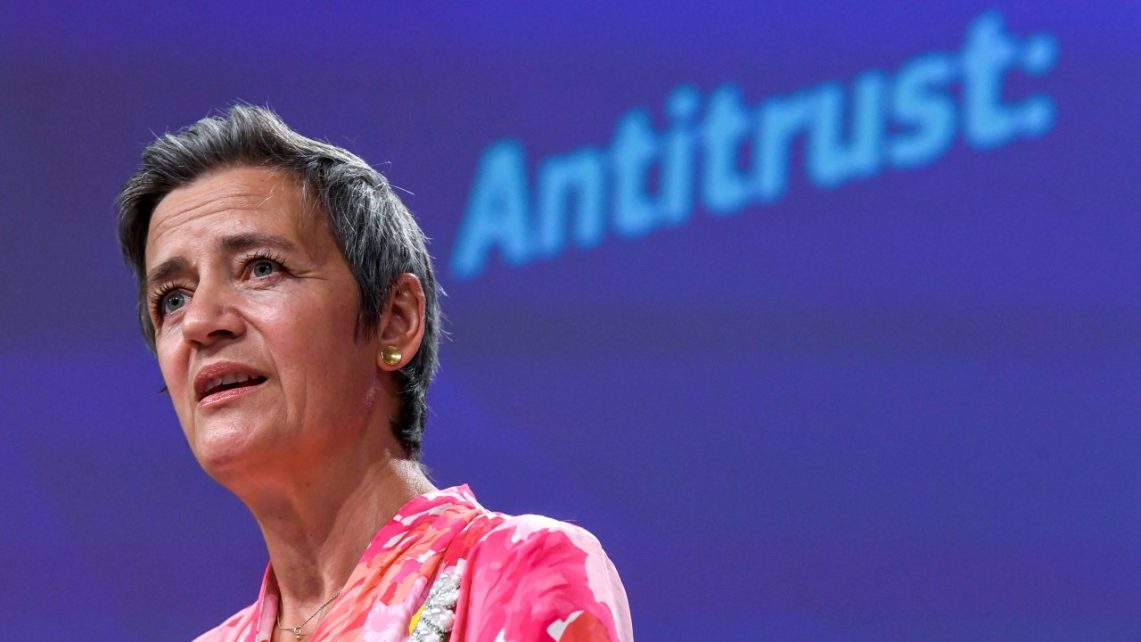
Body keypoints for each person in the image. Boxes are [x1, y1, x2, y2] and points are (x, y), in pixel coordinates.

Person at [117, 105, 633, 642]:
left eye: (261, 267)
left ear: (395, 321)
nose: (200, 322)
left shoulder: (517, 571)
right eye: (172, 299)